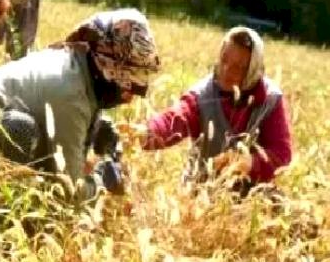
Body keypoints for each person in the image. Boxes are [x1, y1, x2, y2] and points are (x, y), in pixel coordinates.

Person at [0, 9, 160, 198]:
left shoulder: (76, 62)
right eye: (128, 87)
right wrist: (102, 180)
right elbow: (72, 192)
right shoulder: (70, 93)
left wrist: (96, 124)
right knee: (20, 130)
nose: (129, 98)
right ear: (107, 70)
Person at [124, 27, 293, 191]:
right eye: (224, 60)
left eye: (238, 67)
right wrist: (146, 133)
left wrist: (248, 163)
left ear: (252, 70)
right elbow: (176, 118)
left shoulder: (270, 100)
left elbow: (281, 153)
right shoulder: (202, 95)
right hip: (203, 191)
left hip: (253, 194)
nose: (226, 70)